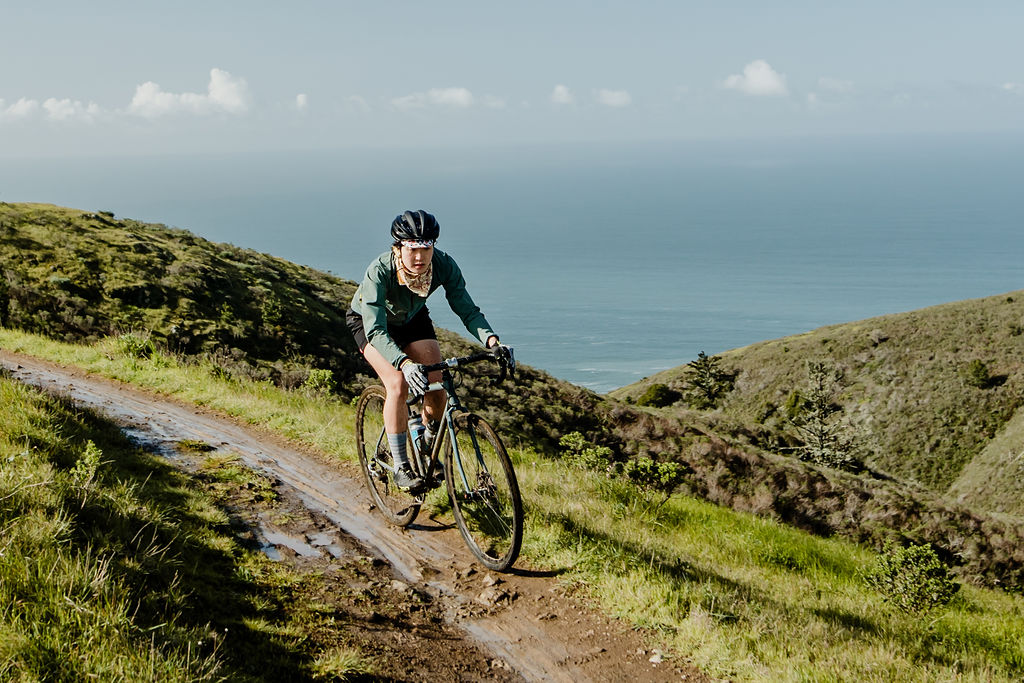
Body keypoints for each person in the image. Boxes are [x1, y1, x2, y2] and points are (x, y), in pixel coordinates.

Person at [347, 210, 513, 491]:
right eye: (412, 249)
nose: (419, 257)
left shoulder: (443, 265)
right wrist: (403, 363)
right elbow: (375, 330)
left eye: (426, 248)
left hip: (412, 319)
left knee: (437, 386)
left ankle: (427, 441)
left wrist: (492, 341)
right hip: (371, 323)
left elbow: (466, 308)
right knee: (397, 384)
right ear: (398, 247)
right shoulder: (380, 271)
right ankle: (401, 466)